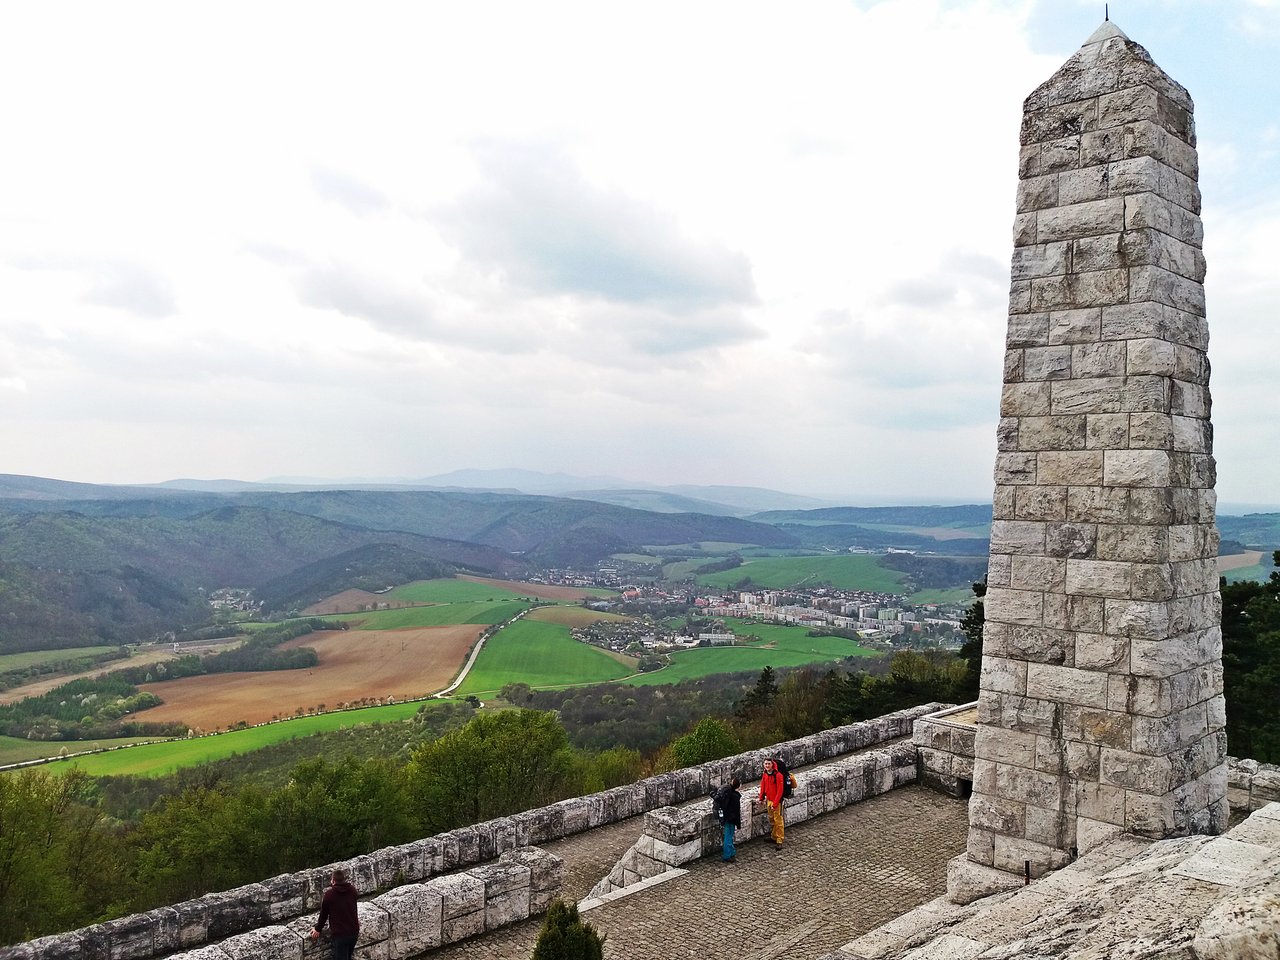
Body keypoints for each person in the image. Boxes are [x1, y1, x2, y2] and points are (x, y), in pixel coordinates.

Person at [310, 868, 360, 960]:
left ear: (333, 880)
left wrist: (317, 929)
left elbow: (324, 914)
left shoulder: (330, 895)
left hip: (340, 934)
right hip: (354, 931)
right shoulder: (352, 890)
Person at [759, 757, 790, 849]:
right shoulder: (765, 774)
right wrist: (761, 797)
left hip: (776, 802)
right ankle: (773, 836)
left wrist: (775, 803)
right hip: (769, 800)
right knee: (772, 819)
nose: (767, 765)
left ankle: (779, 839)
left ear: (772, 764)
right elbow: (763, 785)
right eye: (766, 764)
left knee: (778, 821)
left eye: (769, 764)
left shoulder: (778, 775)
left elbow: (780, 791)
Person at [713, 776, 742, 863]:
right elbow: (736, 812)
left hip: (726, 817)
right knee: (728, 837)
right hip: (730, 819)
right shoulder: (735, 797)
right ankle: (727, 855)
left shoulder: (728, 794)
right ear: (738, 786)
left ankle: (731, 852)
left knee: (728, 835)